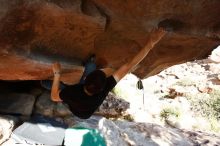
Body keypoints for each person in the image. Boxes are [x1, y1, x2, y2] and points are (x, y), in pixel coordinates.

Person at [50, 28, 166, 119]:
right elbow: (129, 65)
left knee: (46, 83)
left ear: (85, 79)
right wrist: (150, 44)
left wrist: (57, 74)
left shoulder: (72, 92)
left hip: (77, 109)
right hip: (86, 112)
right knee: (91, 66)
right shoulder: (104, 89)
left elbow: (54, 97)